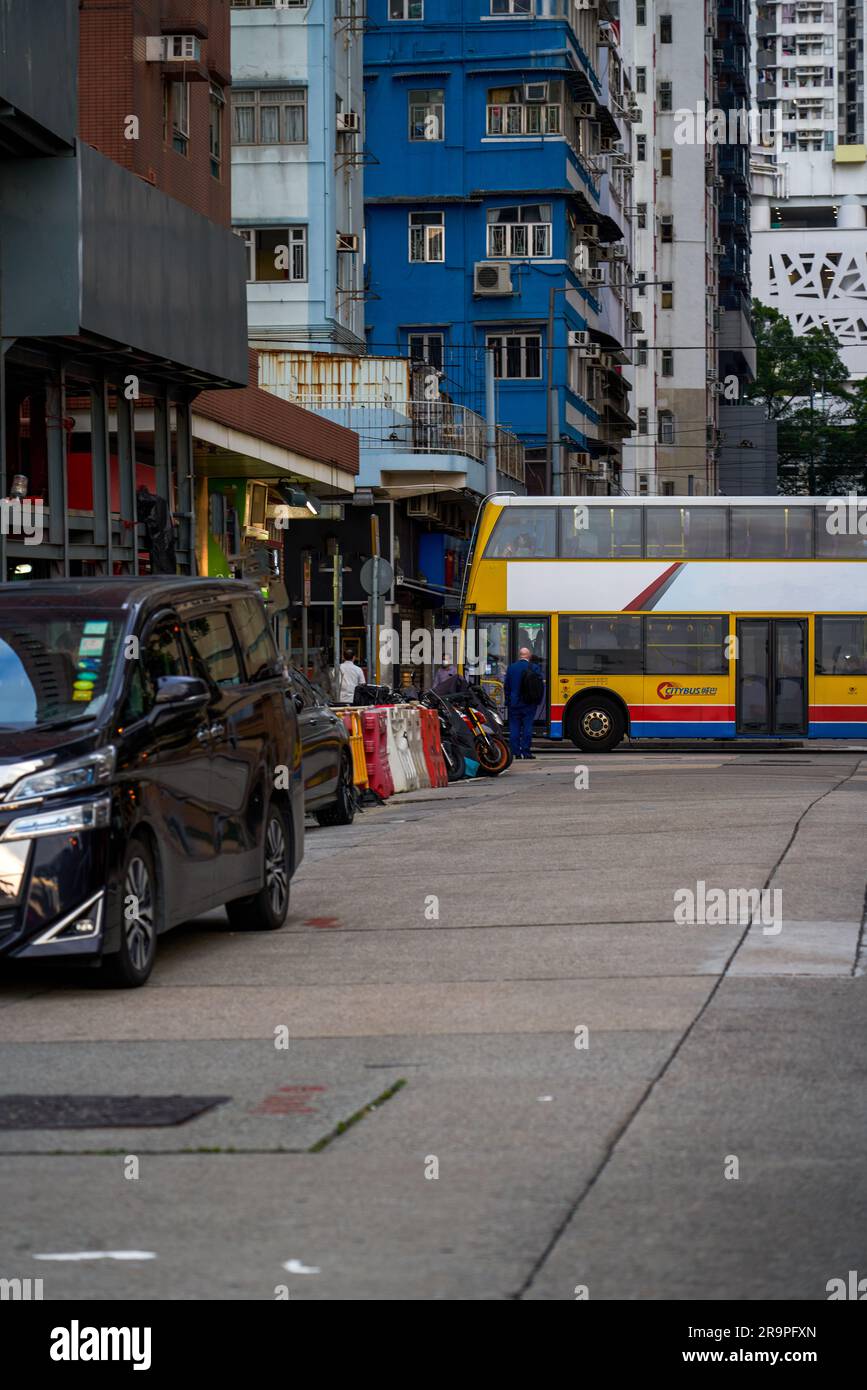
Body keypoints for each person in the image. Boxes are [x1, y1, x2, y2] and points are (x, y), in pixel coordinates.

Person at [504, 646, 543, 760]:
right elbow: (539, 686)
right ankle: (526, 752)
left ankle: (515, 752)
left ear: (520, 655)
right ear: (529, 655)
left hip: (514, 703)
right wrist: (537, 700)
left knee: (514, 727)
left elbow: (507, 686)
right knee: (527, 727)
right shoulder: (534, 667)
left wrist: (508, 699)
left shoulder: (511, 668)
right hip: (529, 703)